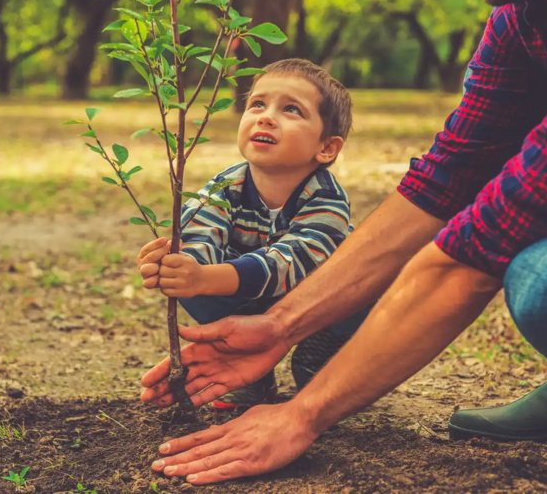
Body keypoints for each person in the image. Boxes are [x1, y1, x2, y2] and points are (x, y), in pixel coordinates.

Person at [138, 0, 547, 485]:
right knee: (543, 206)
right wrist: (280, 326)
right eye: (257, 104)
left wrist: (303, 414)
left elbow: (485, 244)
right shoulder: (520, 20)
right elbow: (447, 178)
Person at [136, 58, 371, 410]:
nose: (266, 117)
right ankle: (251, 371)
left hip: (316, 301)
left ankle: (324, 352)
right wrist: (178, 266)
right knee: (193, 283)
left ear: (326, 148)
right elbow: (199, 232)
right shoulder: (226, 185)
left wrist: (208, 276)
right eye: (257, 104)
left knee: (366, 281)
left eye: (291, 110)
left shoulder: (326, 198)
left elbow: (291, 262)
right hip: (247, 296)